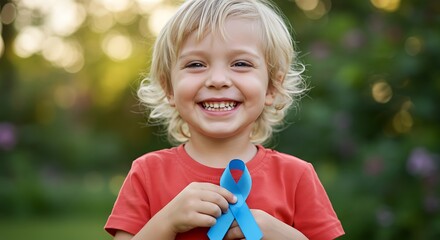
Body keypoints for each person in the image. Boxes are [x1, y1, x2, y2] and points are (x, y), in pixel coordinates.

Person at [104, 0, 345, 239]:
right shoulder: (147, 173)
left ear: (271, 87)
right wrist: (167, 222)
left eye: (240, 64)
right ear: (169, 88)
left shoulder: (296, 177)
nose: (218, 79)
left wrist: (285, 235)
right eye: (196, 64)